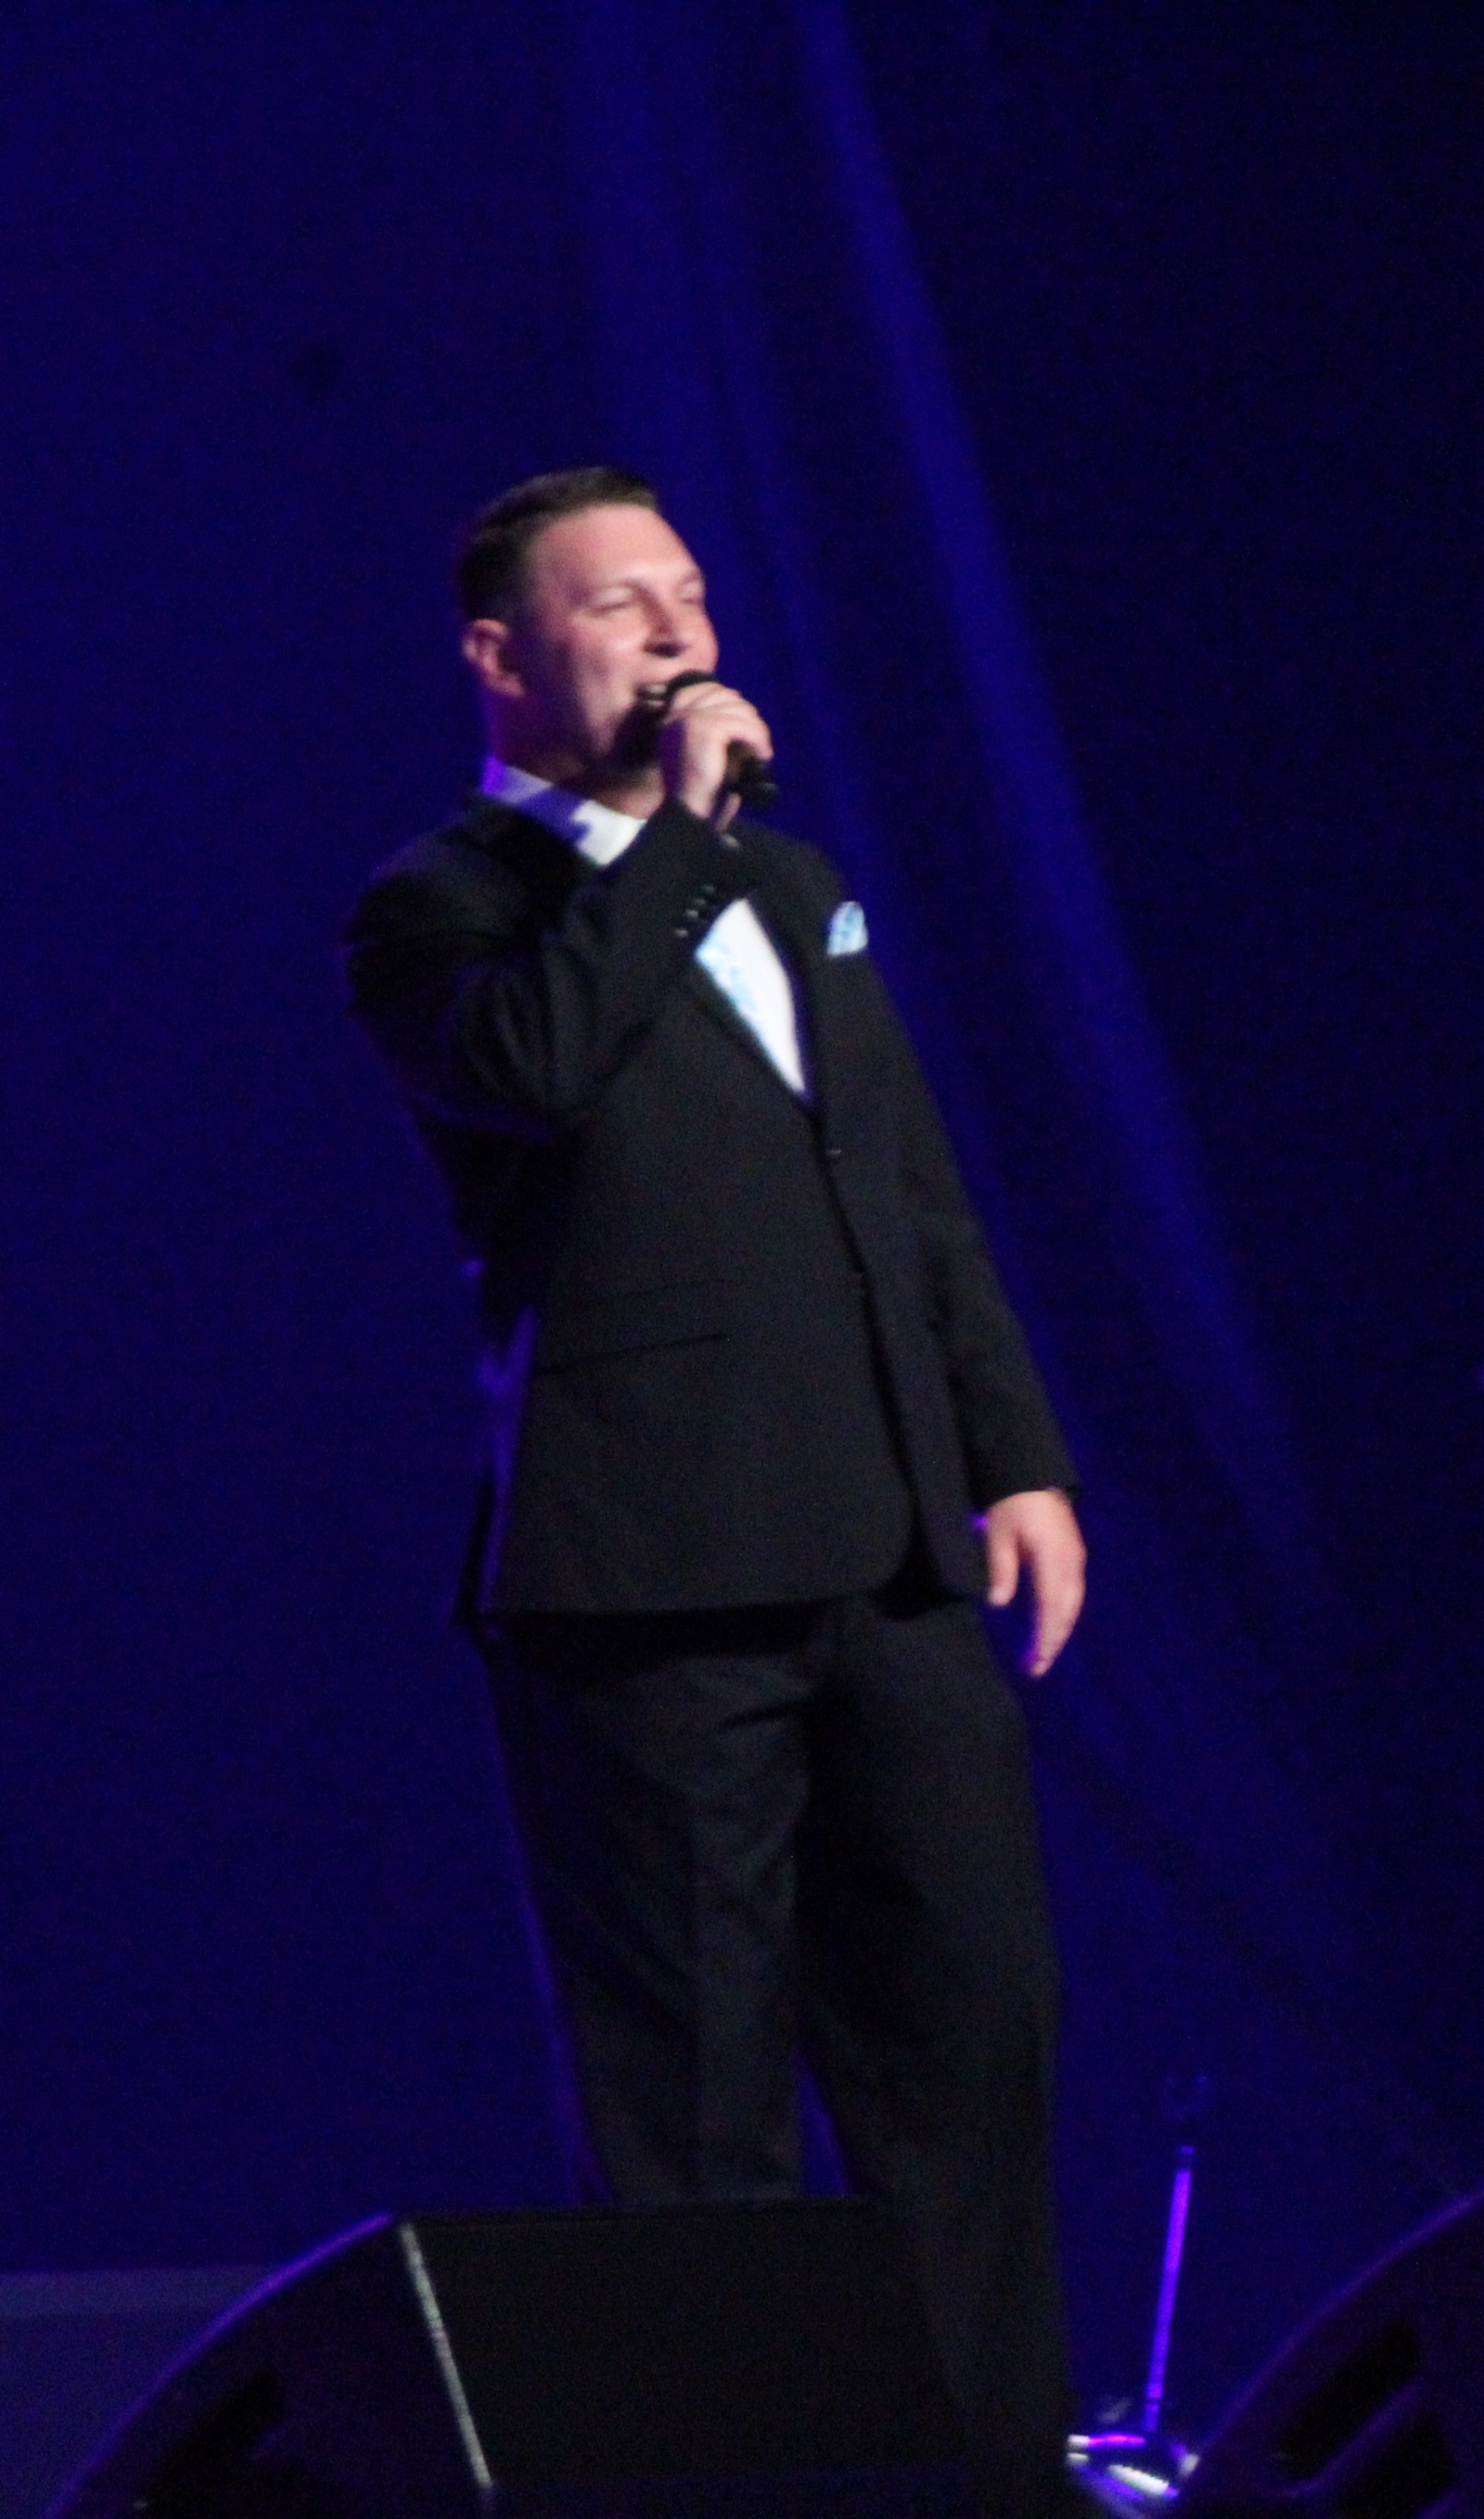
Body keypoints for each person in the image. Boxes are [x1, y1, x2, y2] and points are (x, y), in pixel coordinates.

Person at [345, 465, 1087, 2519]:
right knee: (692, 2104)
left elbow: (907, 1192)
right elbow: (536, 1068)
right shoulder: (442, 902)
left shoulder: (790, 883)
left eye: (688, 591)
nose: (679, 630)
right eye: (618, 604)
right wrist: (673, 831)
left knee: (971, 2044)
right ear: (500, 655)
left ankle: (993, 2490)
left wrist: (1015, 1455)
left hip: (892, 1556)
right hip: (646, 1586)